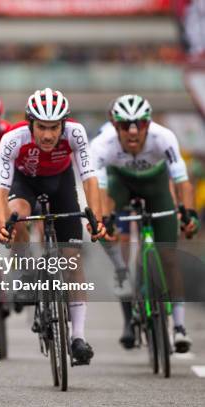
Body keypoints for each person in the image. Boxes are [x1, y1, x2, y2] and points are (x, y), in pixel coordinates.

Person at [0, 88, 106, 365]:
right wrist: (2, 226)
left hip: (61, 183)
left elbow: (90, 179)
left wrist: (96, 219)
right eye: (41, 127)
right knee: (16, 215)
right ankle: (25, 268)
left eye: (54, 127)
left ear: (63, 125)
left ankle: (77, 336)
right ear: (31, 123)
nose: (47, 135)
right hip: (25, 182)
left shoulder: (76, 134)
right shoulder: (13, 139)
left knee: (72, 260)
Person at [91, 94, 199, 353]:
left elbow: (182, 180)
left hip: (155, 186)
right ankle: (127, 302)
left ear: (148, 125)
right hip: (121, 186)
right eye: (124, 125)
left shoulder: (163, 137)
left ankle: (179, 327)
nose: (131, 131)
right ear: (114, 125)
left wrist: (189, 214)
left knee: (169, 257)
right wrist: (105, 221)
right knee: (118, 240)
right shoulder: (102, 144)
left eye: (138, 124)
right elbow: (101, 190)